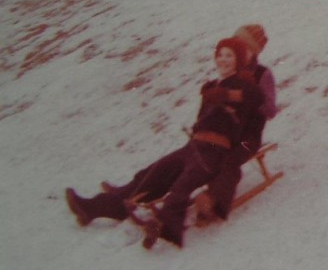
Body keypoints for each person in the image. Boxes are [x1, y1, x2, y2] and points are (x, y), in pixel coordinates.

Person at [65, 37, 264, 249]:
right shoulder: (211, 87)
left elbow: (255, 98)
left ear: (239, 61)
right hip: (193, 147)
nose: (223, 60)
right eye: (220, 55)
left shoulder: (246, 86)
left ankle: (163, 225)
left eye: (229, 56)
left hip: (214, 152)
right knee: (149, 177)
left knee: (181, 186)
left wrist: (226, 95)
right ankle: (93, 208)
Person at [194, 24, 278, 224]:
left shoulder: (262, 74)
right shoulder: (229, 69)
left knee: (230, 160)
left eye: (242, 44)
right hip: (222, 132)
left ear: (252, 50)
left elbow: (270, 109)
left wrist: (240, 99)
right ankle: (131, 193)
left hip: (248, 136)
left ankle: (213, 203)